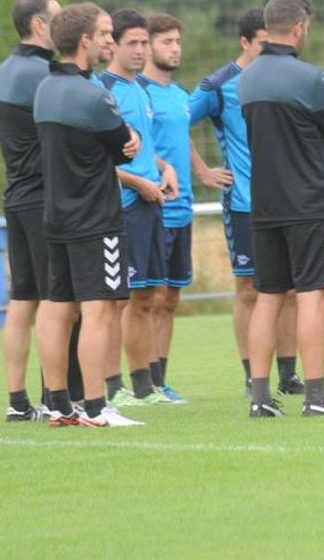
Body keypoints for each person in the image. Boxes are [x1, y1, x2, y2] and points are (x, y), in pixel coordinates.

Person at [240, 0, 324, 417]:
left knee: (268, 297)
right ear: (297, 28)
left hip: (264, 203)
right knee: (313, 297)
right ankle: (316, 397)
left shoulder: (247, 78)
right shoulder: (309, 77)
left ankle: (260, 398)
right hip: (308, 203)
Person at [34, 3, 144, 427]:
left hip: (56, 217)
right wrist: (128, 139)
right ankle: (96, 407)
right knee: (99, 310)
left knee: (56, 307)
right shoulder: (95, 94)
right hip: (96, 219)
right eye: (104, 34)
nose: (110, 42)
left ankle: (58, 403)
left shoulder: (45, 89)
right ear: (84, 41)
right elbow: (123, 146)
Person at [189, 8, 305, 396]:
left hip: (289, 200)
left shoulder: (285, 74)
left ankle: (288, 375)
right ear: (244, 42)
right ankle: (251, 374)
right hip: (244, 204)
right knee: (249, 291)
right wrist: (203, 171)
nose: (270, 49)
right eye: (261, 44)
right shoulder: (221, 84)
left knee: (290, 290)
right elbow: (175, 120)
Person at [95, 9, 180, 407]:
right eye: (132, 43)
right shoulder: (102, 89)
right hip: (123, 206)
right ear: (113, 43)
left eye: (145, 43)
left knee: (150, 296)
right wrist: (138, 183)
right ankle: (113, 388)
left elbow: (145, 147)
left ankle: (145, 386)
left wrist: (166, 169)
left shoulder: (142, 90)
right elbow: (96, 160)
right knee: (119, 301)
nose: (140, 50)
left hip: (151, 202)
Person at [0, 0, 62, 422]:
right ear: (39, 25)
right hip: (42, 198)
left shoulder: (5, 69)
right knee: (56, 301)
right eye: (59, 18)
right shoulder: (43, 74)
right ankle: (57, 397)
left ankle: (18, 402)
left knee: (22, 299)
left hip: (16, 195)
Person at [138, 13, 194, 403]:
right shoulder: (137, 93)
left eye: (177, 41)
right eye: (166, 41)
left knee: (170, 298)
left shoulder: (180, 95)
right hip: (152, 208)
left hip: (184, 208)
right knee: (147, 298)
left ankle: (161, 379)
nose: (174, 48)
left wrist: (204, 171)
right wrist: (161, 171)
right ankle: (140, 382)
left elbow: (184, 142)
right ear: (146, 47)